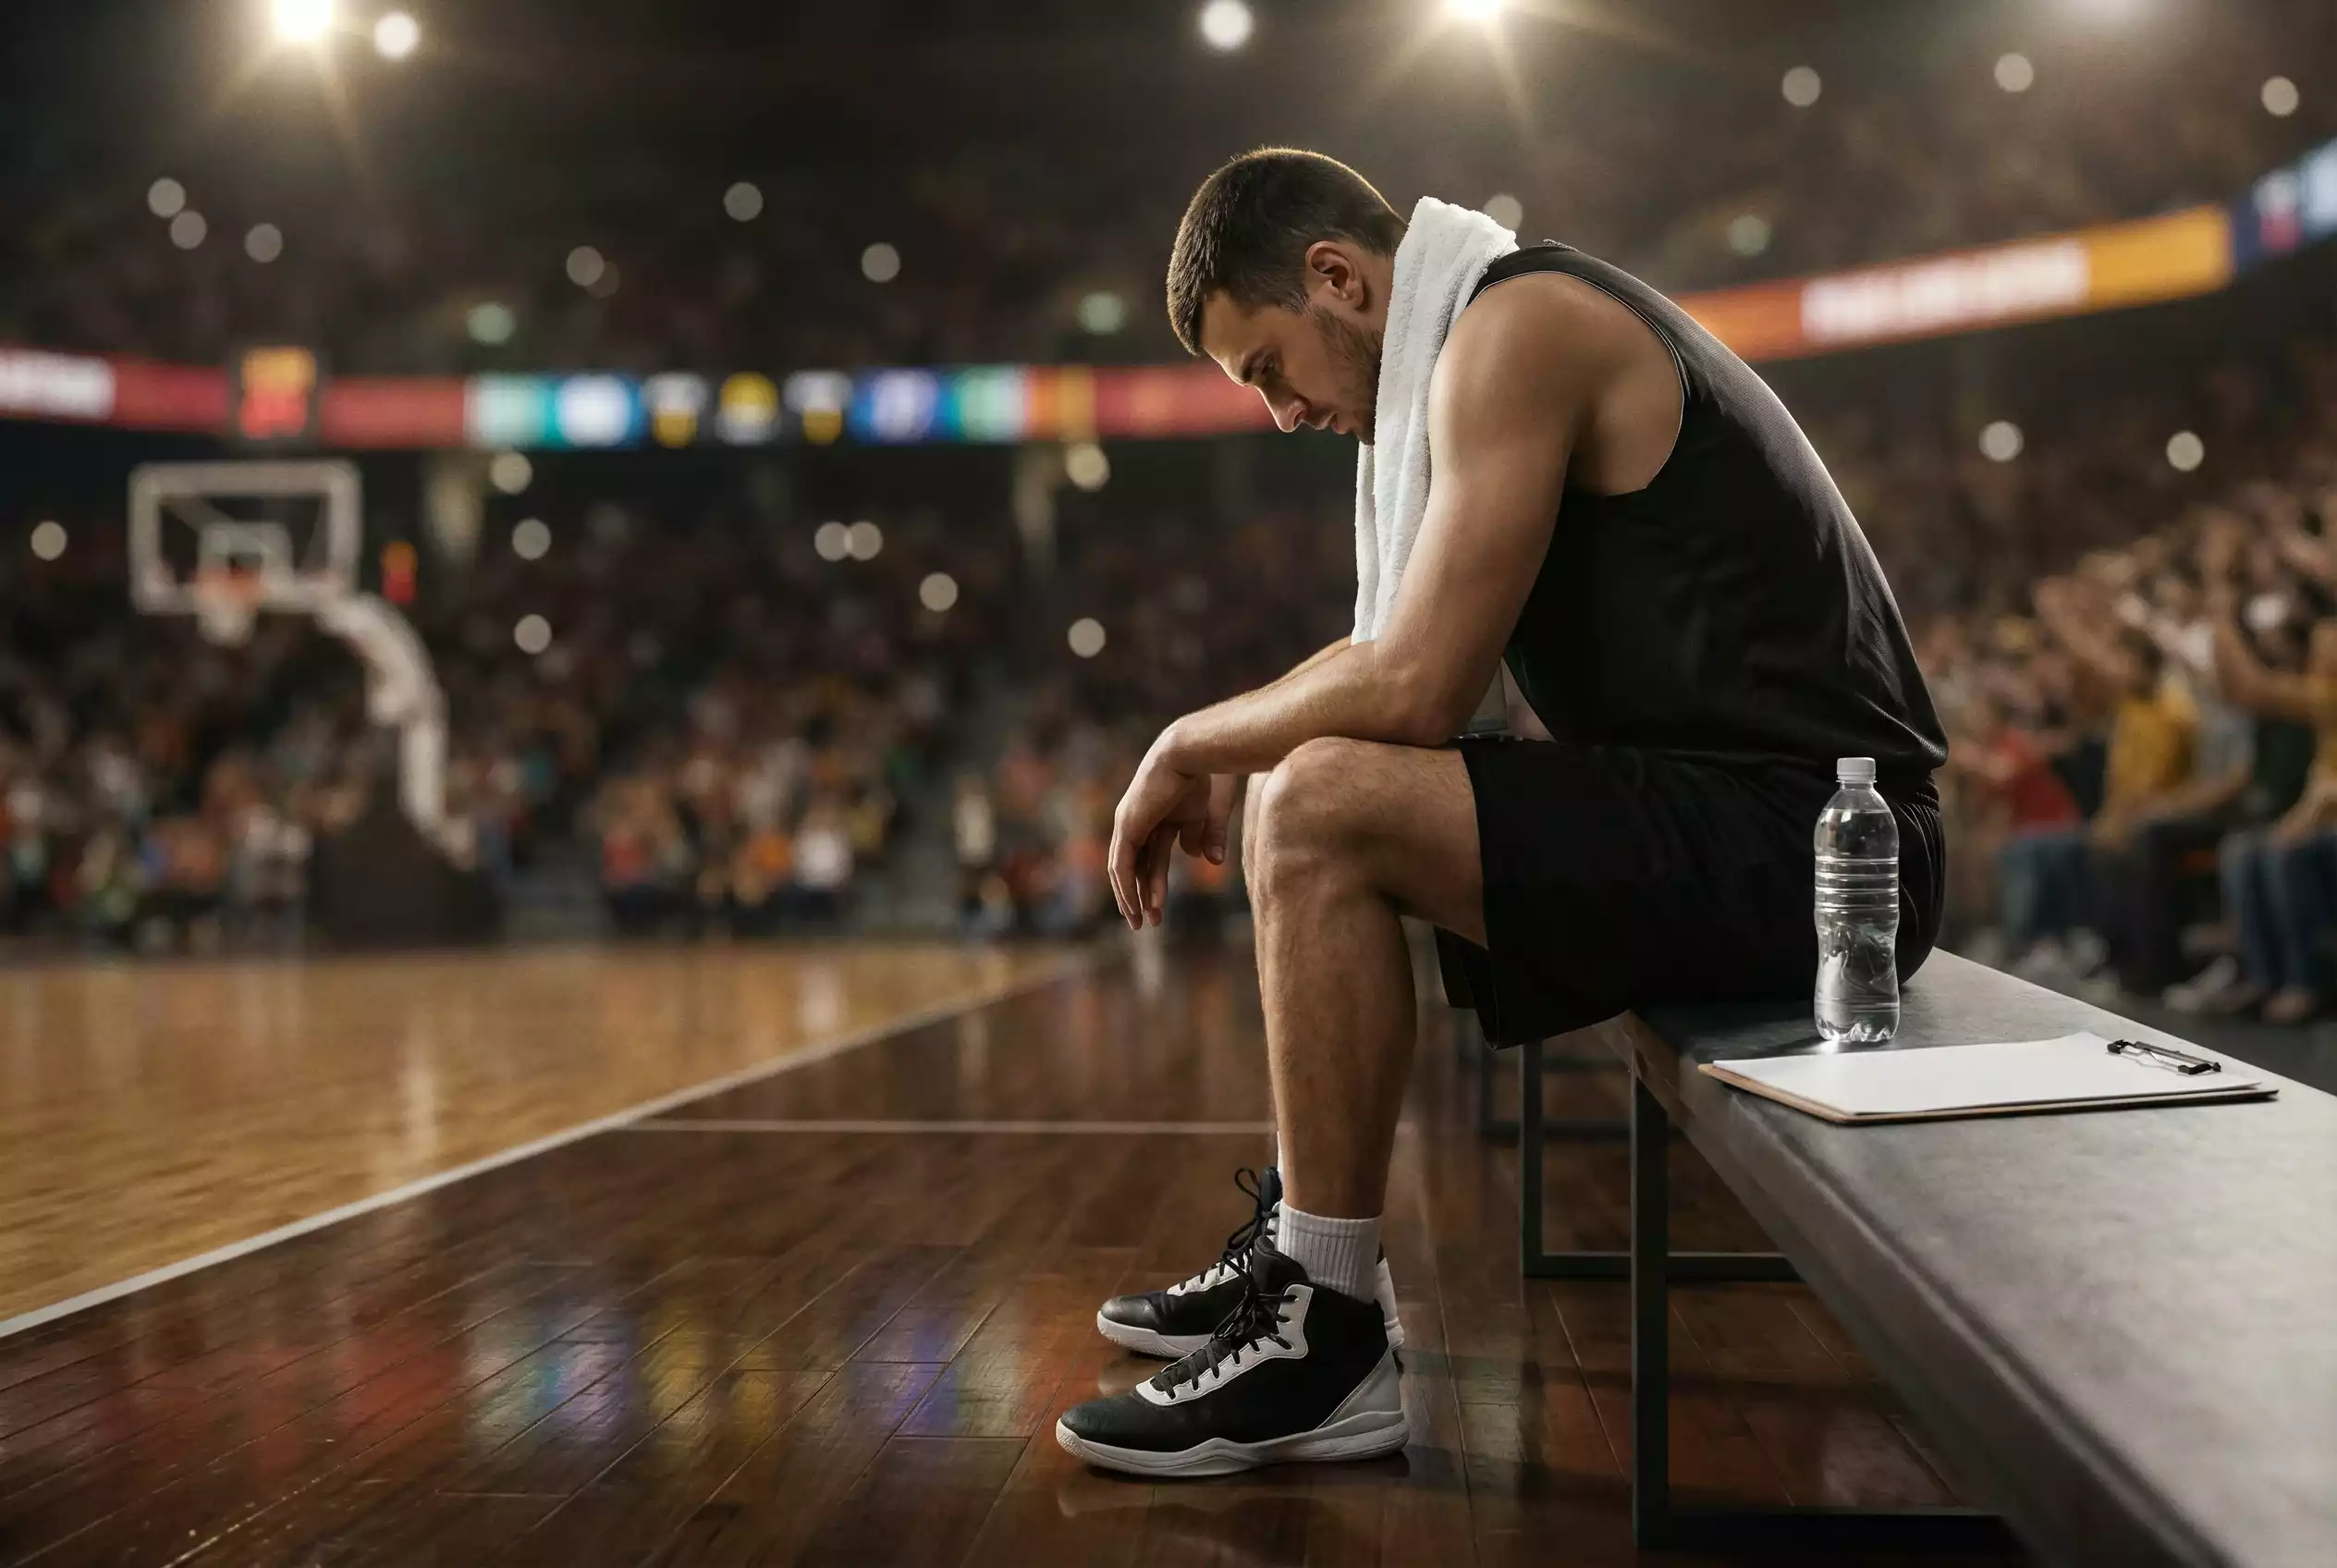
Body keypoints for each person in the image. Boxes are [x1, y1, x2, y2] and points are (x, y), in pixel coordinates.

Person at [1055, 149, 1945, 1477]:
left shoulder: (1517, 332)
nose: (1282, 414)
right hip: (1755, 820)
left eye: (1267, 369)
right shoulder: (1485, 327)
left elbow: (1409, 688)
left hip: (1821, 850)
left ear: (1339, 279)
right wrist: (1211, 738)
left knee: (1315, 803)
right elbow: (1376, 658)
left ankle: (1325, 1331)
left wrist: (1189, 741)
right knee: (1310, 785)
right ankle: (1312, 1252)